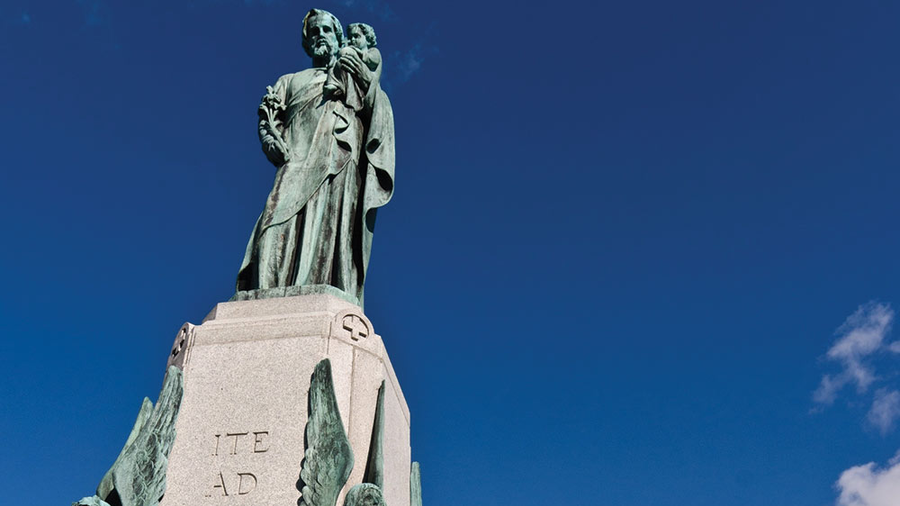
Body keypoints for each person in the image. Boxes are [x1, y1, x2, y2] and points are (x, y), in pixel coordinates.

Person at [236, 8, 395, 307]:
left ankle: (325, 290)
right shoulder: (289, 80)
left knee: (332, 227)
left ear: (338, 36)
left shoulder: (352, 70)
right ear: (307, 43)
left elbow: (379, 111)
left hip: (339, 159)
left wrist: (363, 78)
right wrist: (270, 139)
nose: (319, 36)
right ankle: (266, 297)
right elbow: (269, 118)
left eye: (325, 30)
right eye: (313, 33)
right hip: (295, 161)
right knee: (274, 225)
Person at [323, 22, 382, 111]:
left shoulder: (374, 51)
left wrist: (359, 53)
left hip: (369, 85)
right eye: (350, 37)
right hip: (351, 74)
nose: (352, 40)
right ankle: (333, 84)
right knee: (337, 63)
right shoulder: (351, 51)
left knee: (346, 57)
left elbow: (372, 60)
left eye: (356, 36)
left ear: (368, 39)